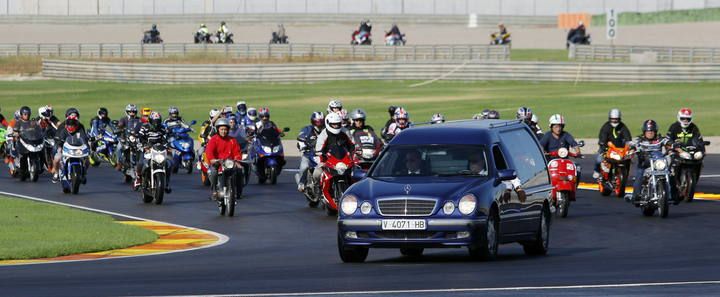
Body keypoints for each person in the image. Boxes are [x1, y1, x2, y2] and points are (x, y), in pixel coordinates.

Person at [629, 120, 675, 203]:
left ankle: (674, 195)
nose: (650, 133)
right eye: (648, 131)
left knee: (670, 174)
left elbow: (668, 142)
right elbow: (633, 144)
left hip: (658, 163)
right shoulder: (640, 140)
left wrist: (673, 145)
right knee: (639, 175)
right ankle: (636, 195)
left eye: (652, 131)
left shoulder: (660, 139)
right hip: (644, 163)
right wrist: (632, 149)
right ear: (644, 132)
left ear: (655, 131)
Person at [205, 118, 243, 199]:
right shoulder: (213, 139)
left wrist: (237, 161)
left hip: (229, 163)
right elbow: (209, 151)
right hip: (217, 163)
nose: (223, 131)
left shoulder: (232, 140)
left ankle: (238, 192)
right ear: (218, 130)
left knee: (240, 171)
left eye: (225, 129)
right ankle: (214, 191)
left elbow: (237, 152)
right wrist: (212, 159)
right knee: (213, 172)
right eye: (221, 129)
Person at [135, 112, 171, 193]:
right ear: (150, 121)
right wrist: (143, 144)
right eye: (155, 121)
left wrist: (168, 145)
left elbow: (166, 138)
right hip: (147, 148)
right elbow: (140, 137)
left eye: (158, 121)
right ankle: (138, 179)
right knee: (141, 163)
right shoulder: (145, 127)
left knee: (169, 164)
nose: (156, 123)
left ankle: (167, 184)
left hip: (159, 149)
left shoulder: (162, 128)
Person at [313, 112, 354, 182]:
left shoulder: (345, 131)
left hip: (344, 160)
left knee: (356, 174)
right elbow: (318, 149)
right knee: (317, 173)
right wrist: (321, 158)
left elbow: (353, 144)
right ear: (328, 123)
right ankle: (317, 187)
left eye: (337, 124)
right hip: (328, 160)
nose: (336, 126)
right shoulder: (323, 134)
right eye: (333, 124)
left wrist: (354, 154)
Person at [593, 108, 632, 179]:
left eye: (616, 119)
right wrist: (602, 144)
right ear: (609, 118)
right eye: (613, 119)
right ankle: (597, 170)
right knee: (599, 159)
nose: (614, 121)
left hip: (620, 149)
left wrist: (629, 143)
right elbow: (602, 137)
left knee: (627, 159)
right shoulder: (606, 126)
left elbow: (627, 136)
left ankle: (625, 173)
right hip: (608, 148)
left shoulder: (622, 127)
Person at [51, 115, 89, 183]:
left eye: (72, 124)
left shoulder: (80, 130)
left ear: (76, 124)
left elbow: (84, 139)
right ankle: (56, 174)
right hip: (65, 150)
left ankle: (84, 173)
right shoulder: (64, 131)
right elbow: (60, 139)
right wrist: (59, 143)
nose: (71, 126)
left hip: (78, 150)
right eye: (69, 124)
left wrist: (87, 144)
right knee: (56, 159)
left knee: (87, 159)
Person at [297, 111, 324, 191]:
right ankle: (301, 183)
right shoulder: (307, 129)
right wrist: (303, 146)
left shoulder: (326, 130)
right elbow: (300, 139)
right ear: (313, 121)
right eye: (317, 121)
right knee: (304, 166)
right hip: (309, 153)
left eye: (321, 121)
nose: (319, 124)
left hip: (323, 153)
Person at [116, 104, 141, 170]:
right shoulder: (123, 119)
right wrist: (120, 127)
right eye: (130, 112)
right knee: (119, 148)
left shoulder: (139, 119)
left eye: (133, 112)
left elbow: (142, 126)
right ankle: (119, 163)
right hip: (124, 138)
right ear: (127, 112)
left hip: (135, 138)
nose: (132, 113)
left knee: (142, 148)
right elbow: (120, 125)